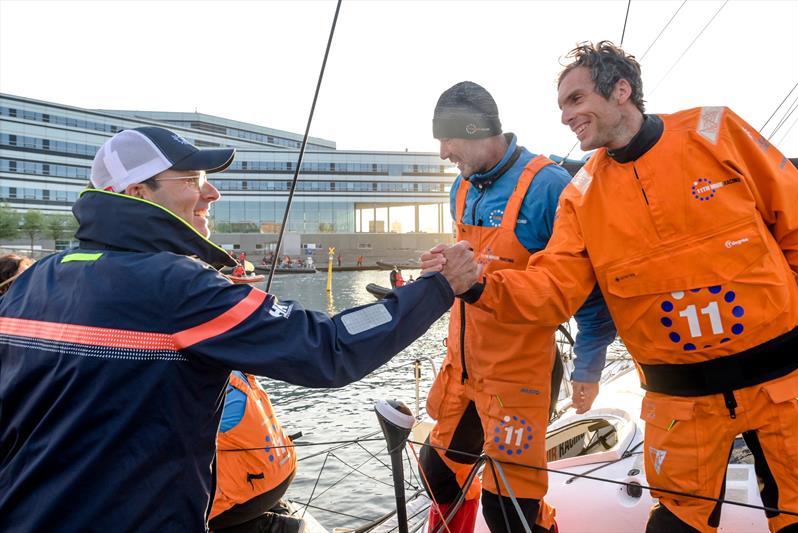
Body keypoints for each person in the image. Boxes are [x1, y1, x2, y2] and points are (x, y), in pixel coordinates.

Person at [0, 126, 477, 531]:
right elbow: (328, 347)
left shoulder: (34, 281)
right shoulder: (176, 286)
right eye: (193, 179)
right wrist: (436, 288)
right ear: (136, 194)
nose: (212, 192)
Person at [425, 43, 798, 533]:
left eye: (576, 100)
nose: (566, 116)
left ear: (621, 90)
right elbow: (553, 289)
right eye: (561, 106)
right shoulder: (580, 195)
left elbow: (791, 219)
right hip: (681, 407)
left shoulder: (716, 130)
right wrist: (476, 286)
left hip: (783, 386)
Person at [419, 81, 616, 533]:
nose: (445, 153)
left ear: (475, 129)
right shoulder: (461, 187)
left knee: (509, 512)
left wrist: (588, 368)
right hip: (463, 368)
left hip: (519, 374)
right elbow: (470, 270)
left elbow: (587, 288)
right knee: (438, 471)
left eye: (448, 140)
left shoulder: (549, 186)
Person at [210, 369, 300, 533]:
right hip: (283, 468)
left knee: (194, 514)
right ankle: (278, 510)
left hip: (256, 485)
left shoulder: (204, 388)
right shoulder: (234, 372)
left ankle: (273, 528)